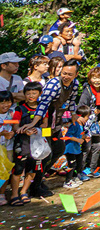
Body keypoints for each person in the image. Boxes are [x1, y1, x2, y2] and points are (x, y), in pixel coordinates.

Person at [22, 60, 80, 198]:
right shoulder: (53, 84)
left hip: (56, 123)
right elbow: (43, 104)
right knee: (44, 154)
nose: (66, 76)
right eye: (64, 73)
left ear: (76, 75)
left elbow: (72, 102)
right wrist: (35, 122)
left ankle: (39, 179)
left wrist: (73, 115)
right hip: (44, 123)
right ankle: (34, 187)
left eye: (69, 74)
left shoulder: (75, 84)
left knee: (59, 149)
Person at [10, 81, 43, 204]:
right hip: (22, 144)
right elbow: (15, 126)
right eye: (28, 93)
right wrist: (23, 131)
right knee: (18, 169)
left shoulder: (43, 108)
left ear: (40, 94)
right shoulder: (20, 108)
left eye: (34, 93)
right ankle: (14, 195)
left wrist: (38, 130)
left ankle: (24, 191)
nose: (31, 96)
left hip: (38, 146)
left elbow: (47, 128)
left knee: (33, 169)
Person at [62, 105, 89, 189]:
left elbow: (79, 135)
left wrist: (84, 137)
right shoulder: (75, 125)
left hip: (76, 149)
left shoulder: (81, 126)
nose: (87, 119)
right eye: (87, 117)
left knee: (78, 163)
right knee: (71, 164)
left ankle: (74, 177)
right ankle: (67, 181)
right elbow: (68, 135)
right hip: (70, 148)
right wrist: (78, 140)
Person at [0, 91, 13, 205]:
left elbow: (16, 126)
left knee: (6, 171)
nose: (5, 105)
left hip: (9, 147)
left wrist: (13, 132)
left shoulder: (13, 113)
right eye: (2, 102)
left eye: (8, 101)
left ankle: (2, 194)